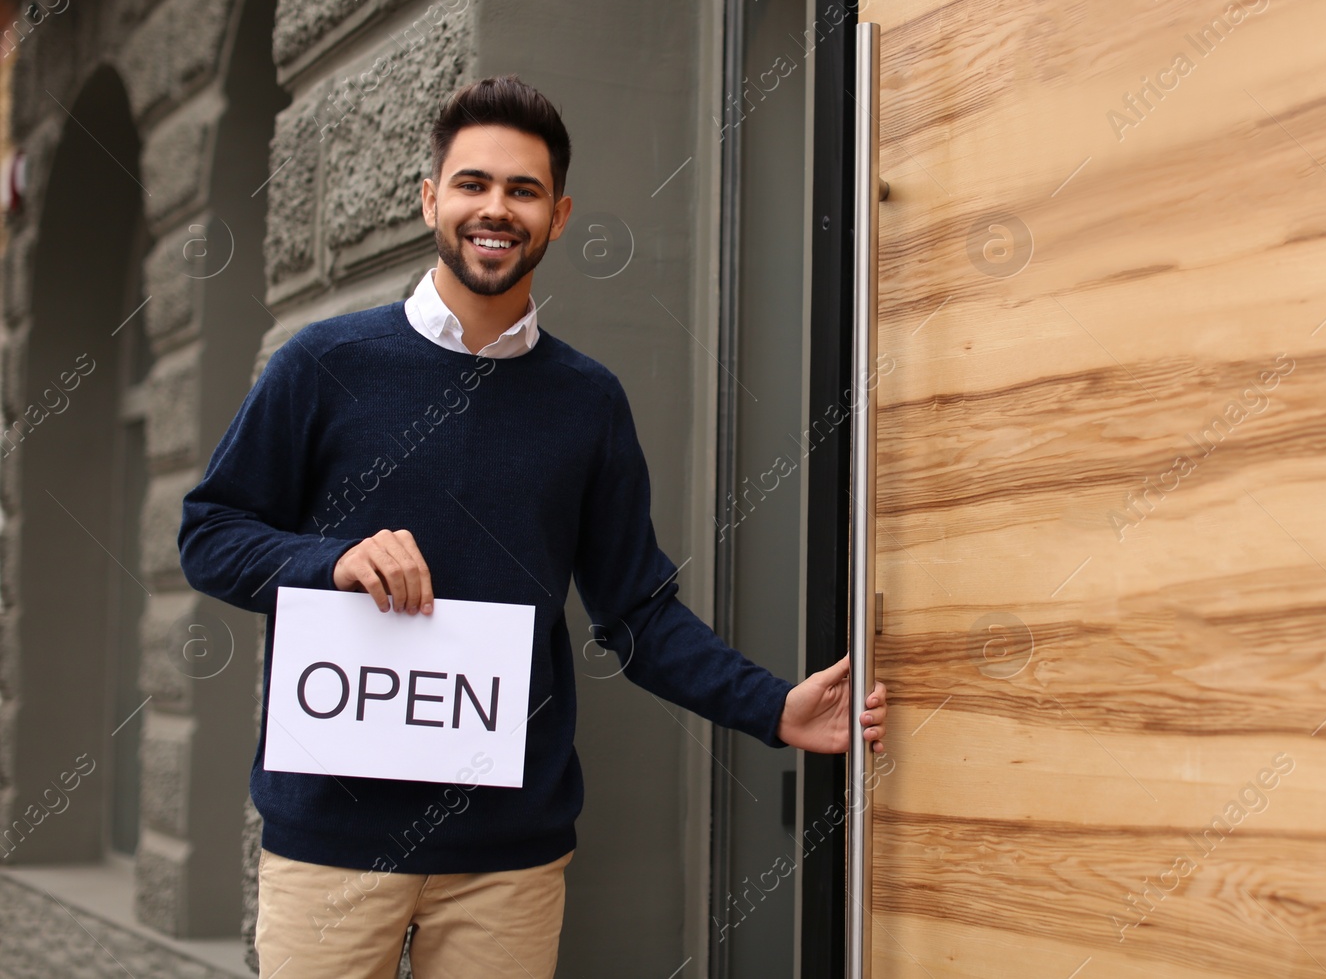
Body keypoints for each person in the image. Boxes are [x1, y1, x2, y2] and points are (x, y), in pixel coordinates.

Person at [177, 74, 887, 978]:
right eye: (473, 183)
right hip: (330, 840)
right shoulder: (324, 364)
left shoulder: (586, 402)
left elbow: (638, 612)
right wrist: (332, 560)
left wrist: (771, 706)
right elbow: (209, 534)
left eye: (524, 190)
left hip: (506, 856)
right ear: (432, 198)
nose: (496, 208)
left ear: (558, 215)